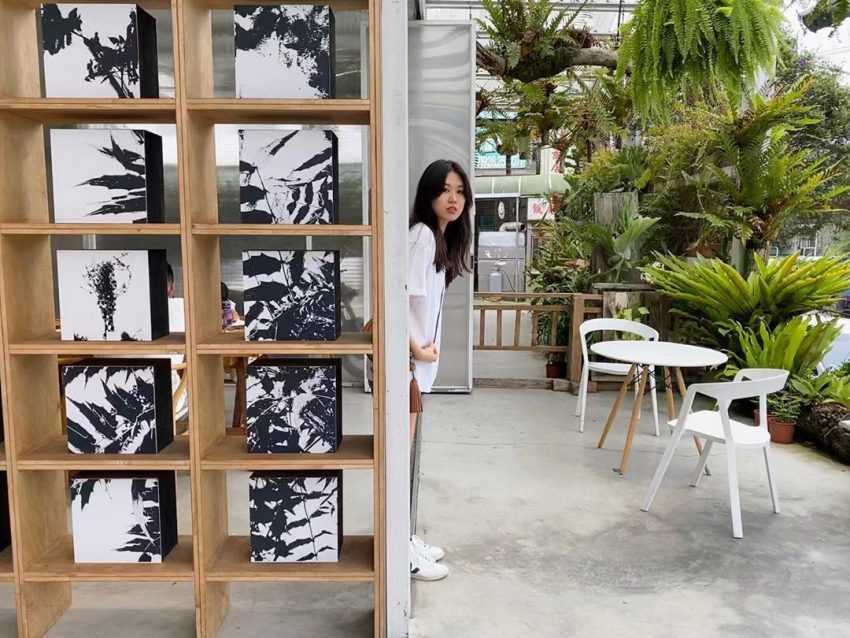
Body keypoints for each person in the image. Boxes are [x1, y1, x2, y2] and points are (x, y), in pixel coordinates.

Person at [407, 160, 473, 581]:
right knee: (400, 462)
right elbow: (395, 295)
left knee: (407, 460)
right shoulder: (421, 237)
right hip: (407, 367)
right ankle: (402, 555)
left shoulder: (439, 241)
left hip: (415, 366)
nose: (453, 199)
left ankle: (406, 539)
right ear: (429, 193)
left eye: (460, 191)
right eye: (445, 190)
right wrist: (415, 349)